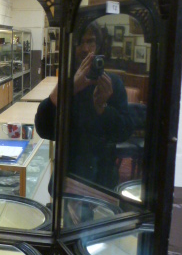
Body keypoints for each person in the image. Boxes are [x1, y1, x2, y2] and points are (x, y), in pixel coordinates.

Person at [35, 21, 133, 190]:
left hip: (102, 177)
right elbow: (43, 129)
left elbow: (124, 133)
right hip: (68, 175)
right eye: (80, 42)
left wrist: (102, 108)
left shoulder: (113, 83)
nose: (86, 49)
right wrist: (69, 91)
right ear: (72, 47)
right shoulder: (68, 81)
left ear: (98, 45)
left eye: (91, 41)